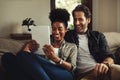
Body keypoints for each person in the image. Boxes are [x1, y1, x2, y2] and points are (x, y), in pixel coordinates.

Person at [1, 8, 77, 80]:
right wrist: (27, 48)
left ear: (66, 30)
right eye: (54, 29)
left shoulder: (71, 46)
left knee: (23, 58)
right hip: (40, 72)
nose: (56, 32)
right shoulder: (42, 40)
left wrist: (55, 59)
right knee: (7, 57)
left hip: (62, 73)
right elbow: (27, 61)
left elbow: (71, 68)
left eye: (60, 29)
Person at [65, 5, 120, 80]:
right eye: (75, 19)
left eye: (80, 19)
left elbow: (109, 56)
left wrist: (105, 64)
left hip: (103, 69)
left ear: (88, 20)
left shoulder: (98, 36)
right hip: (84, 74)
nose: (77, 23)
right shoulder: (68, 35)